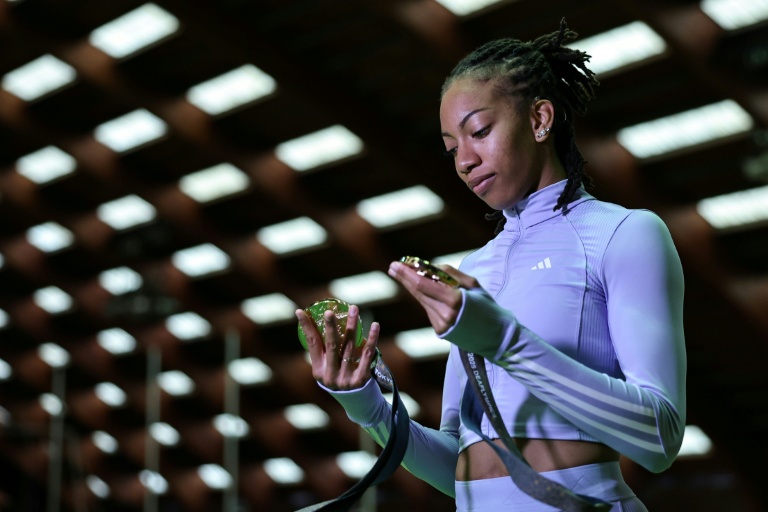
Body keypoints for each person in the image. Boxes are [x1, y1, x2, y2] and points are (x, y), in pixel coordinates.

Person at [296, 19, 686, 512]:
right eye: (451, 149)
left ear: (540, 119)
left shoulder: (625, 233)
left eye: (478, 131)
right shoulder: (475, 266)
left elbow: (661, 437)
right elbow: (457, 470)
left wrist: (503, 341)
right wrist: (366, 405)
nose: (464, 161)